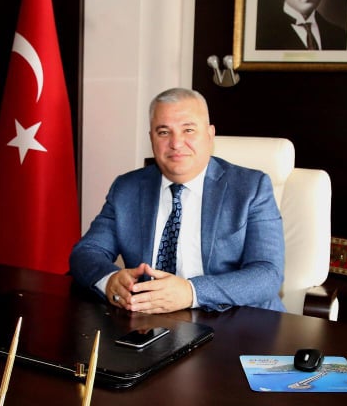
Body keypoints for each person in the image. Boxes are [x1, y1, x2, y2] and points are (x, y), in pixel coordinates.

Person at [69, 87, 286, 314]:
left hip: (238, 319)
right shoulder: (127, 189)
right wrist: (110, 280)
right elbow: (87, 252)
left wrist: (192, 292)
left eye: (188, 130)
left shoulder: (251, 188)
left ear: (210, 135)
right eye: (164, 132)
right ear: (151, 138)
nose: (176, 143)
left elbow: (268, 274)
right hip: (151, 321)